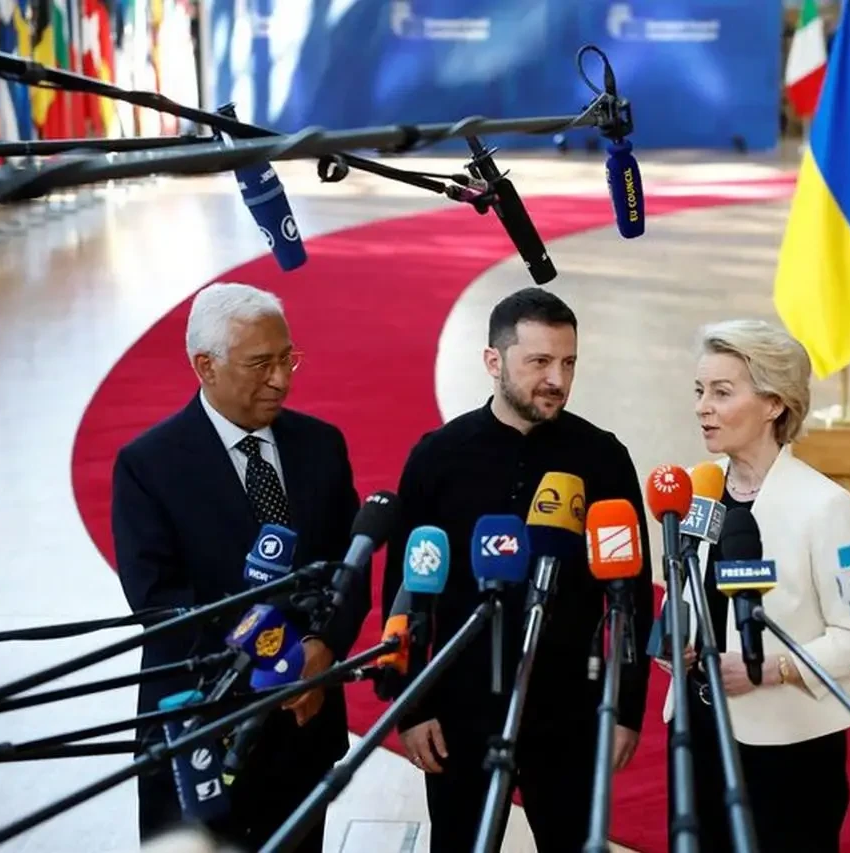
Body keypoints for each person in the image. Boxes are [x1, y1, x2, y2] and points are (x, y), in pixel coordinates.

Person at [381, 286, 655, 852]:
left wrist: (626, 710)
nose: (557, 379)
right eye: (540, 362)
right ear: (493, 361)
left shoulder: (602, 458)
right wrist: (411, 707)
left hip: (570, 710)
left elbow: (630, 597)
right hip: (461, 709)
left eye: (569, 362)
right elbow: (405, 595)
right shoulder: (438, 456)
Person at [111, 282, 366, 853]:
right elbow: (160, 601)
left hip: (303, 728)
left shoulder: (321, 446)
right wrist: (277, 659)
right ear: (205, 366)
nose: (281, 379)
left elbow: (348, 567)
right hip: (200, 731)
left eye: (287, 359)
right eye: (260, 364)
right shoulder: (148, 466)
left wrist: (323, 647)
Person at [658, 318, 850, 853]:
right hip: (697, 731)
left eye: (721, 392)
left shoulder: (827, 506)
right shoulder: (698, 489)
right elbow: (685, 594)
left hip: (787, 750)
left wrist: (771, 669)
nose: (702, 407)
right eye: (700, 391)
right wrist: (671, 640)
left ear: (774, 403)